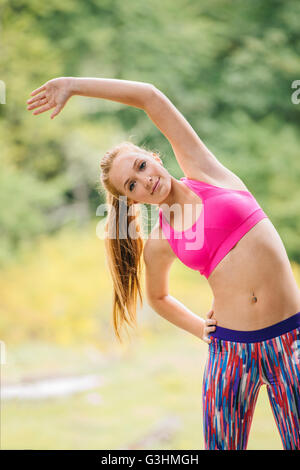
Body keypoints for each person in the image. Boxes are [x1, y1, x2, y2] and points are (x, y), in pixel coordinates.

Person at [27, 77, 300, 450]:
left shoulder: (207, 173)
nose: (144, 180)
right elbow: (158, 297)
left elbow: (149, 97)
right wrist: (201, 329)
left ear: (155, 157)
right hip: (230, 352)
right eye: (131, 186)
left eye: (140, 166)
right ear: (132, 200)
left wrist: (73, 86)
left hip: (291, 338)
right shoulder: (160, 242)